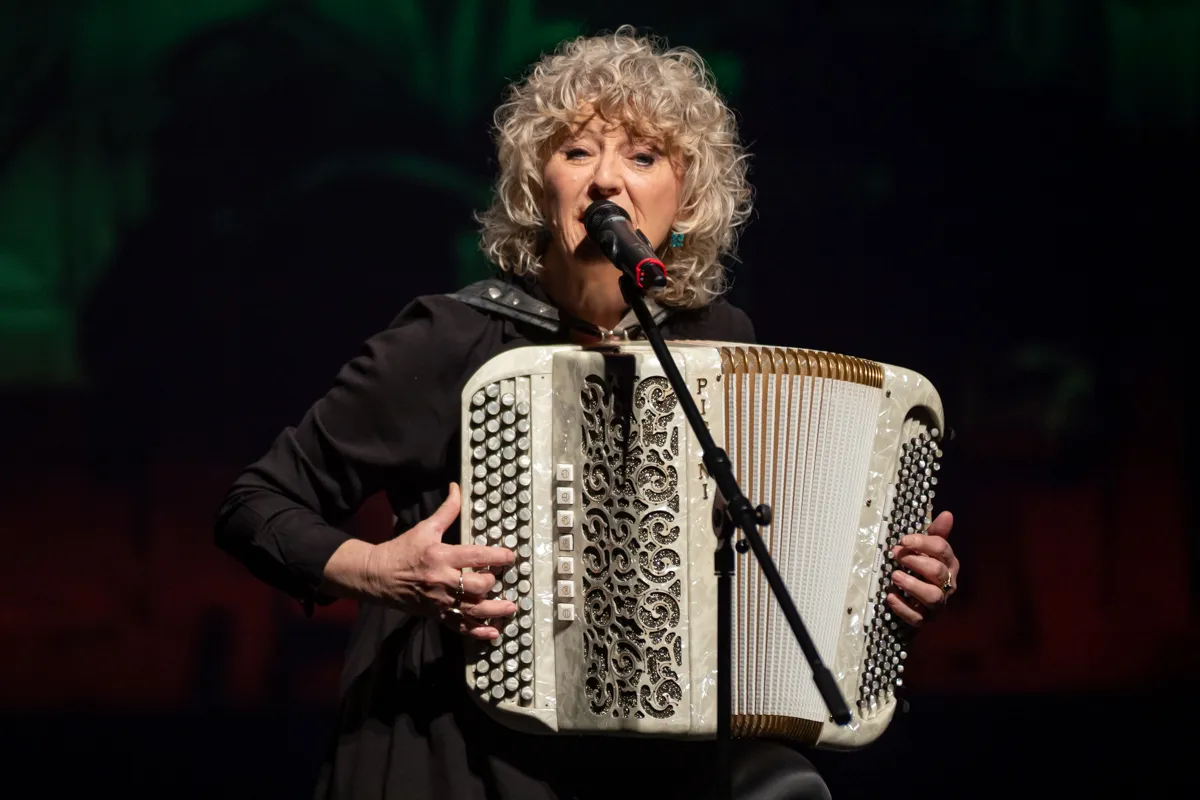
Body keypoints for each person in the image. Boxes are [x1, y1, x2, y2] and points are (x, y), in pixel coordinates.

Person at [214, 26, 960, 800]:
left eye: (642, 156)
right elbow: (253, 506)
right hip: (452, 752)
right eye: (577, 153)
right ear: (541, 187)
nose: (606, 180)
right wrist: (381, 570)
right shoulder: (448, 340)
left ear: (688, 194)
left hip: (644, 768)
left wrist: (884, 579)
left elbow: (773, 551)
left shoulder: (718, 341)